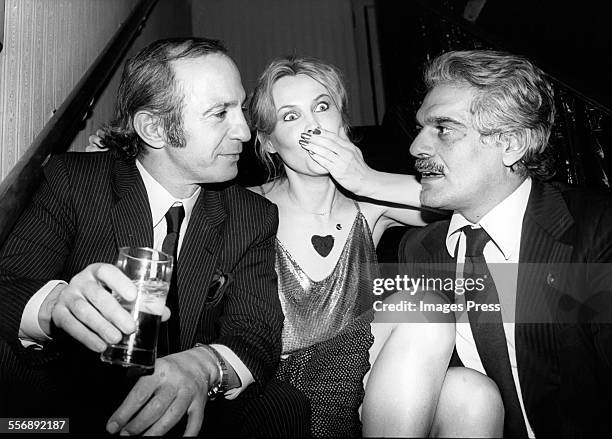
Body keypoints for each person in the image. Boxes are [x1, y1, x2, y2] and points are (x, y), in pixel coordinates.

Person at [0, 38, 310, 437]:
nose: (245, 132)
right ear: (155, 128)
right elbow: (7, 285)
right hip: (74, 401)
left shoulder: (253, 215)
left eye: (241, 109)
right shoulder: (73, 182)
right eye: (221, 113)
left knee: (281, 408)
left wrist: (202, 366)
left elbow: (256, 331)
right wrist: (57, 305)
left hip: (191, 402)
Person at [246, 56, 504, 437]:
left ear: (342, 122)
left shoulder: (370, 204)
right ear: (268, 143)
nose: (313, 126)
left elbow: (466, 202)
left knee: (473, 395)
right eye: (290, 116)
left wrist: (365, 179)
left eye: (321, 107)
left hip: (360, 381)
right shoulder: (245, 207)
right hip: (280, 392)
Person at [400, 49, 612, 438]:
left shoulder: (596, 232)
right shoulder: (419, 251)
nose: (416, 147)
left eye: (443, 128)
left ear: (511, 143)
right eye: (420, 128)